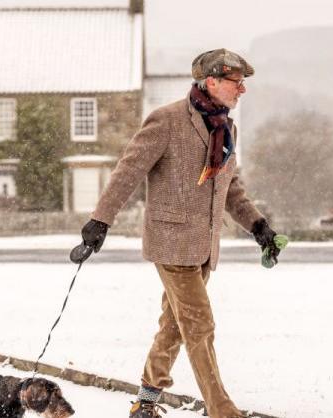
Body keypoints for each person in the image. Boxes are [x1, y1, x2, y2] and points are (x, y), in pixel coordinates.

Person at [77, 49, 281, 418]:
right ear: (213, 81)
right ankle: (221, 409)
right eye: (238, 82)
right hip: (171, 242)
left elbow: (230, 187)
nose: (243, 90)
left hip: (203, 245)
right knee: (200, 324)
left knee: (174, 326)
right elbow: (129, 171)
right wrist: (100, 220)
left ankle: (146, 402)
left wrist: (257, 225)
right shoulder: (167, 121)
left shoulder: (226, 128)